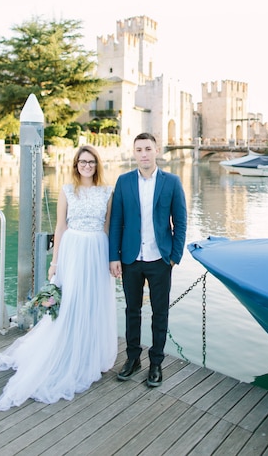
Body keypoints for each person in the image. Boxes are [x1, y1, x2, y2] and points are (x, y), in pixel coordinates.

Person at [0, 145, 117, 412]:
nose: (87, 166)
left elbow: (107, 226)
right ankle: (67, 351)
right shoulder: (68, 190)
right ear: (75, 164)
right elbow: (61, 226)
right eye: (82, 161)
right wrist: (55, 262)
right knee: (69, 302)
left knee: (93, 303)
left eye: (91, 162)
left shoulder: (107, 191)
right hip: (72, 250)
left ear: (97, 164)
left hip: (97, 250)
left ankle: (89, 353)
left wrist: (108, 259)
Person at [109, 132, 187, 388]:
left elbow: (180, 221)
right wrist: (114, 257)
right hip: (131, 259)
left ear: (157, 151)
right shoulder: (123, 182)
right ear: (134, 153)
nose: (143, 153)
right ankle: (133, 359)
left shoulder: (172, 182)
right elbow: (116, 223)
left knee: (160, 313)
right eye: (139, 149)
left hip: (160, 259)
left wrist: (174, 256)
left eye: (148, 149)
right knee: (132, 311)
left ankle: (156, 363)